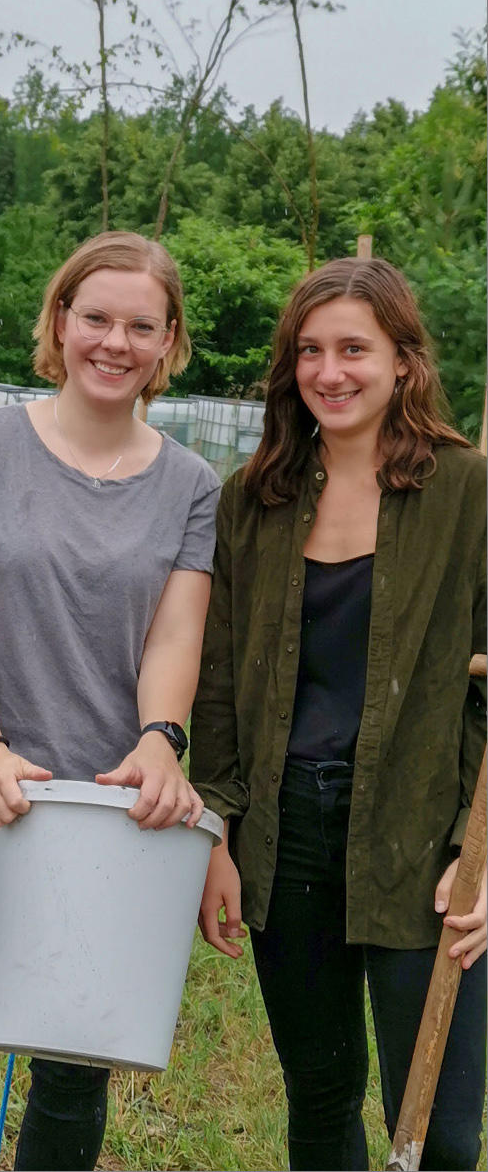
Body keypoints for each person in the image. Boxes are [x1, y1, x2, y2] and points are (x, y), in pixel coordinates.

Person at [0, 230, 218, 1169]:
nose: (115, 343)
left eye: (141, 326)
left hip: (99, 811)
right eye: (96, 318)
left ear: (169, 342)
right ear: (60, 321)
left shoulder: (191, 486)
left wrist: (160, 739)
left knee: (74, 1067)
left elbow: (173, 636)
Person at [192, 257, 486, 1171]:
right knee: (320, 1100)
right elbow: (217, 681)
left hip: (423, 835)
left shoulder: (468, 492)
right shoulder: (254, 499)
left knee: (438, 1127)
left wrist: (484, 854)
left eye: (354, 348)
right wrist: (217, 833)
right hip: (287, 835)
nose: (330, 371)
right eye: (310, 350)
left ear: (403, 359)